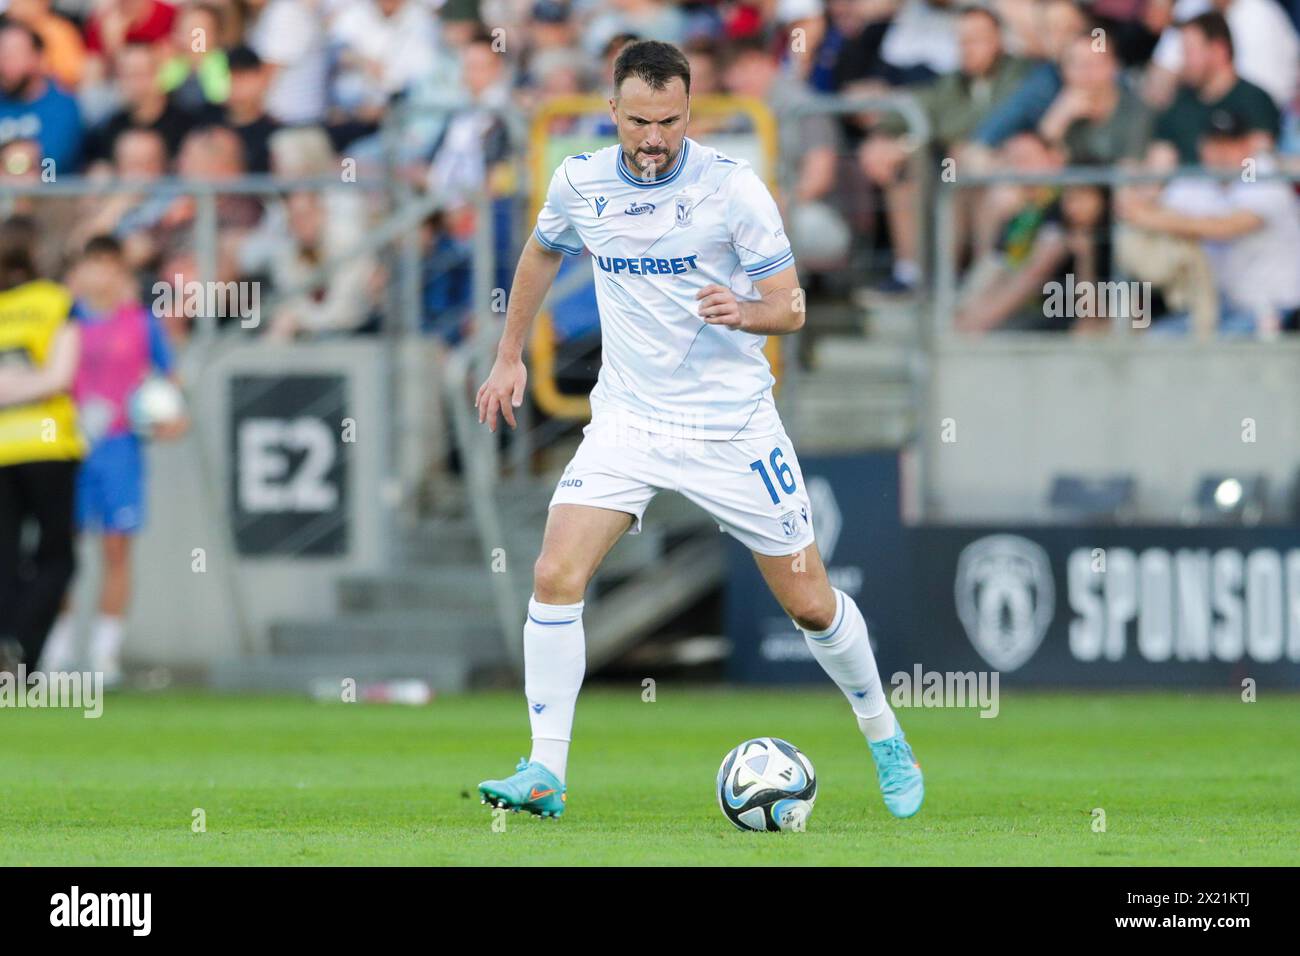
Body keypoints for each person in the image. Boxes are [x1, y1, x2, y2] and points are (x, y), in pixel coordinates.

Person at [473, 40, 923, 820]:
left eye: (670, 122)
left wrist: (745, 311)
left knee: (811, 602)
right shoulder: (580, 181)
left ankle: (883, 734)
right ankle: (546, 771)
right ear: (611, 112)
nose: (653, 138)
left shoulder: (732, 190)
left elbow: (792, 306)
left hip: (731, 427)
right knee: (553, 575)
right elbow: (542, 253)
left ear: (692, 113)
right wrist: (509, 353)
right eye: (639, 121)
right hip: (629, 420)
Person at [39, 236, 184, 684]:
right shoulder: (62, 320)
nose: (100, 274)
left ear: (121, 272)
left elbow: (170, 381)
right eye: (92, 264)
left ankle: (104, 654)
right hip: (67, 447)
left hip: (120, 449)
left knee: (116, 548)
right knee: (61, 547)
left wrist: (171, 415)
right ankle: (55, 650)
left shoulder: (140, 323)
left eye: (109, 265)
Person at [0, 216, 83, 674]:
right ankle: (23, 648)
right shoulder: (55, 301)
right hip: (48, 445)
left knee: (5, 557)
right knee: (57, 556)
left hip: (3, 448)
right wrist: (28, 385)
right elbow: (60, 377)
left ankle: (5, 645)